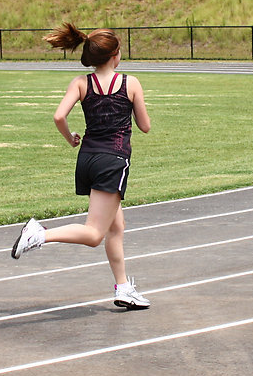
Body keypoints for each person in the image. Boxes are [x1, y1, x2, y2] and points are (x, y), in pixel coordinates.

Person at [11, 23, 152, 310]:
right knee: (94, 234)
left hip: (87, 159)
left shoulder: (80, 83)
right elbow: (145, 126)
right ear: (115, 56)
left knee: (116, 226)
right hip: (112, 162)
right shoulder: (131, 83)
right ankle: (39, 234)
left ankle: (124, 288)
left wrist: (70, 138)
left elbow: (59, 116)